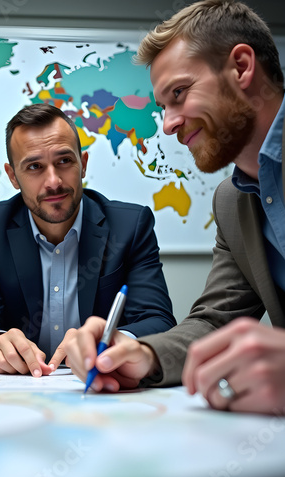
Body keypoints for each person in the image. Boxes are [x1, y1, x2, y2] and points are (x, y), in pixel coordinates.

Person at [65, 0, 285, 415]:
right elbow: (213, 322)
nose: (167, 124)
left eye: (179, 94)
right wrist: (140, 354)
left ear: (241, 67)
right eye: (163, 106)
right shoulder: (232, 200)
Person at [0, 103, 176, 376]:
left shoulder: (131, 225)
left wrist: (112, 342)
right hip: (20, 393)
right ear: (13, 176)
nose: (53, 182)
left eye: (64, 161)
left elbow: (158, 320)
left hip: (101, 388)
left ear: (82, 164)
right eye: (34, 166)